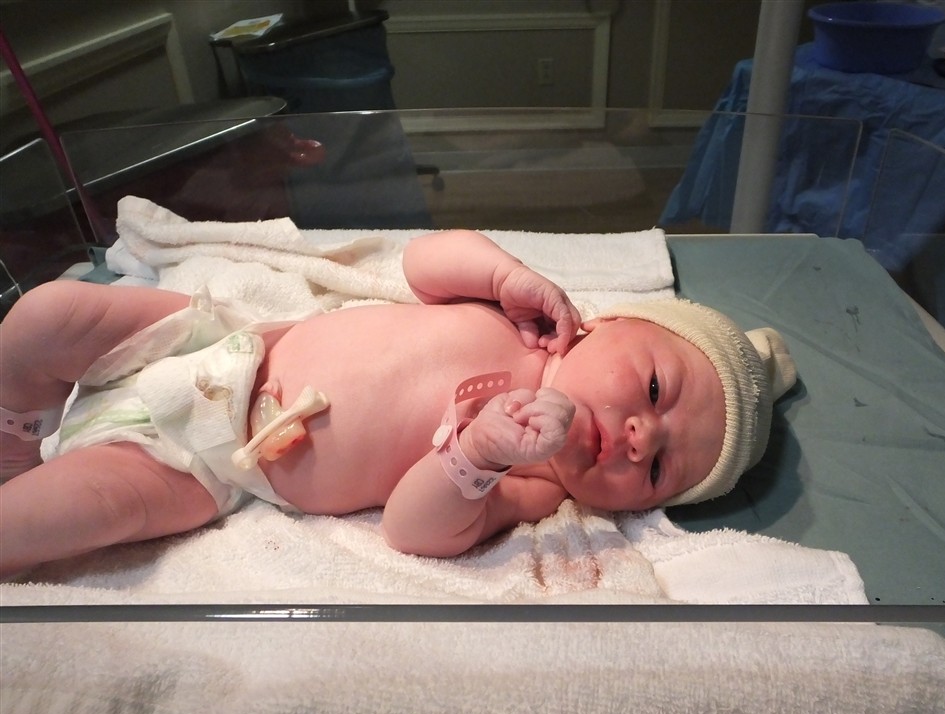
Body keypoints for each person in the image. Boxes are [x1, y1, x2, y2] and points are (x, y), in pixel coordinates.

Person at [0, 229, 795, 577]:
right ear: (609, 324)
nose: (639, 436)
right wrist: (503, 274)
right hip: (216, 345)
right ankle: (15, 436)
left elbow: (414, 529)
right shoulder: (518, 317)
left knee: (67, 516)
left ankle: (21, 485)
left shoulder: (535, 482)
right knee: (45, 315)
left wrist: (477, 456)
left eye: (657, 469)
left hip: (209, 462)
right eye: (654, 391)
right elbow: (421, 261)